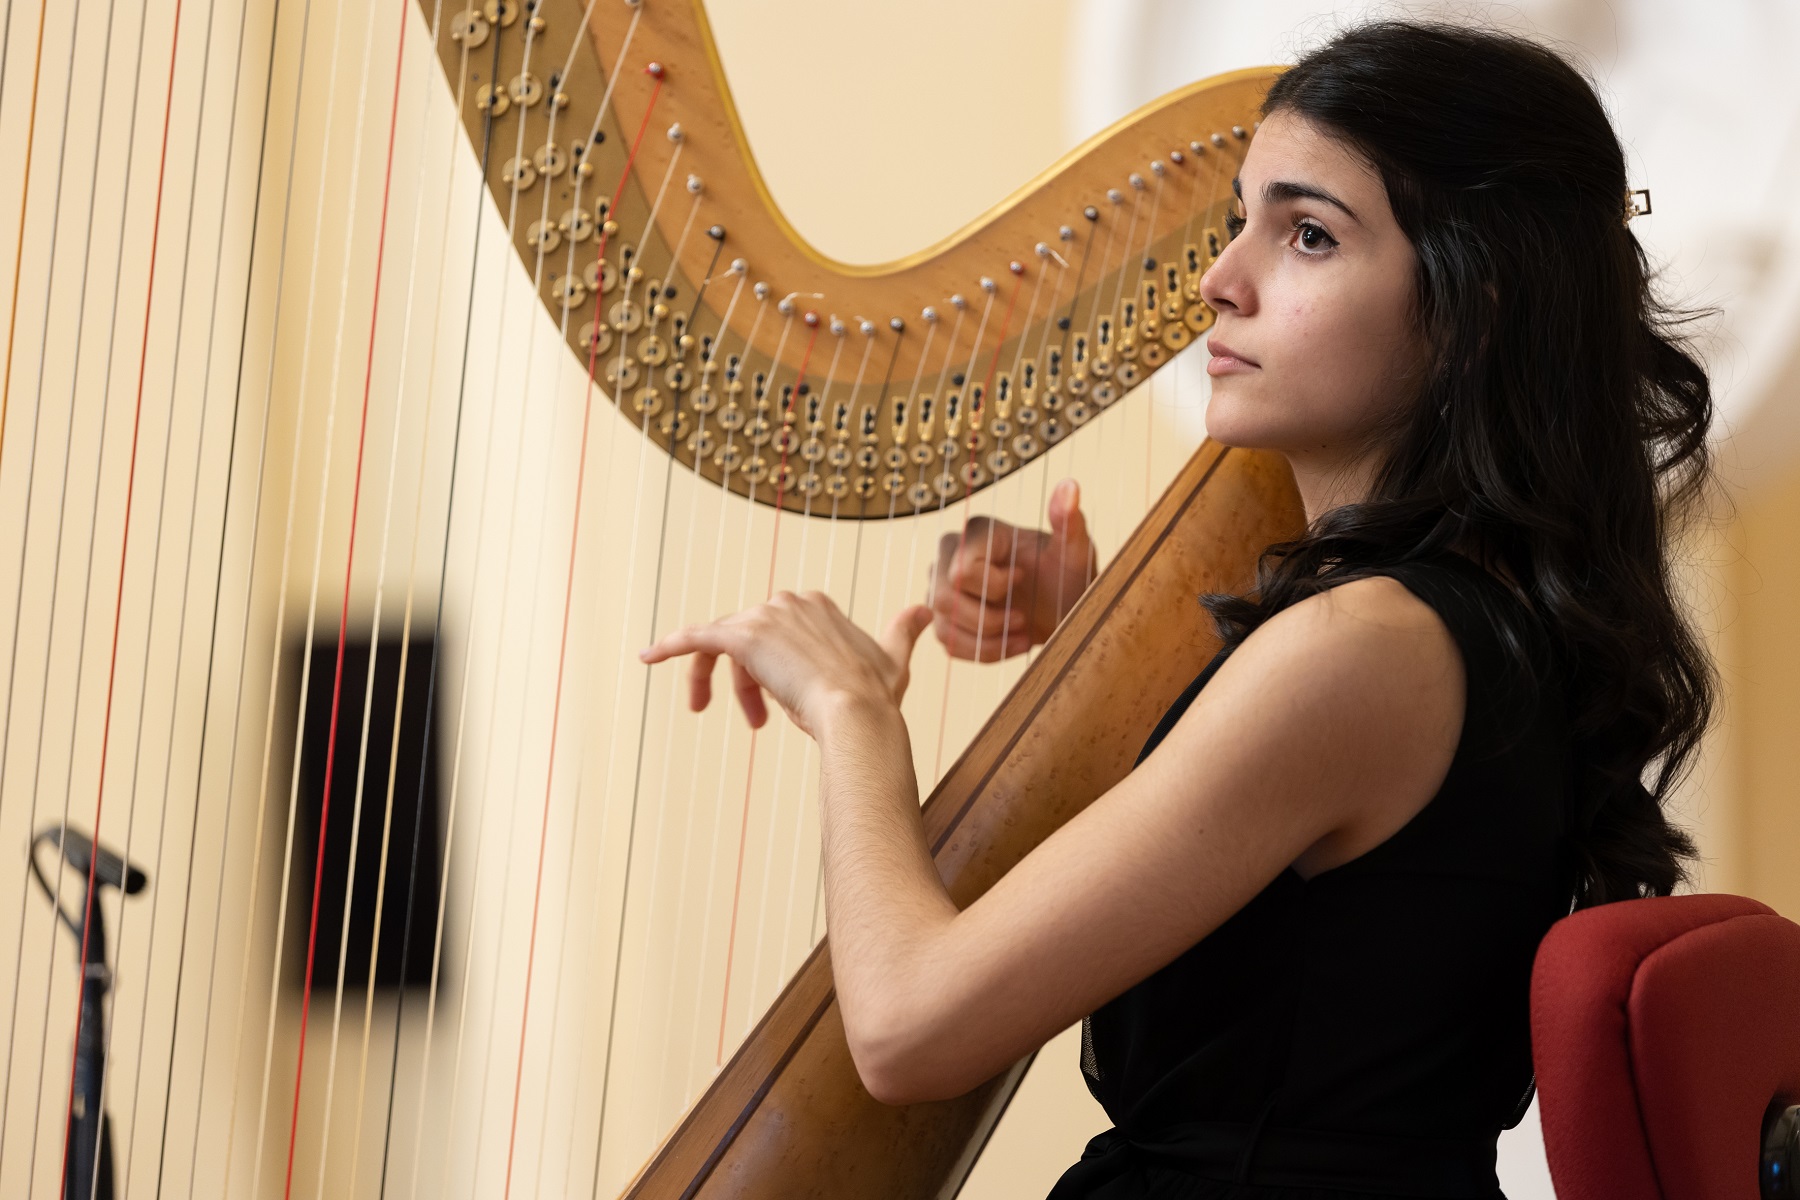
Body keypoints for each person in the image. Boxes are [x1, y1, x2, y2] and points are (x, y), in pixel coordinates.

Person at [641, 20, 1716, 1199]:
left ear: (1474, 309)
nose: (1220, 280)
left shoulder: (1364, 651)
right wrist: (1092, 622)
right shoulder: (1476, 622)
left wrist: (852, 710)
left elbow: (909, 1030)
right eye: (1239, 220)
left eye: (1308, 235)